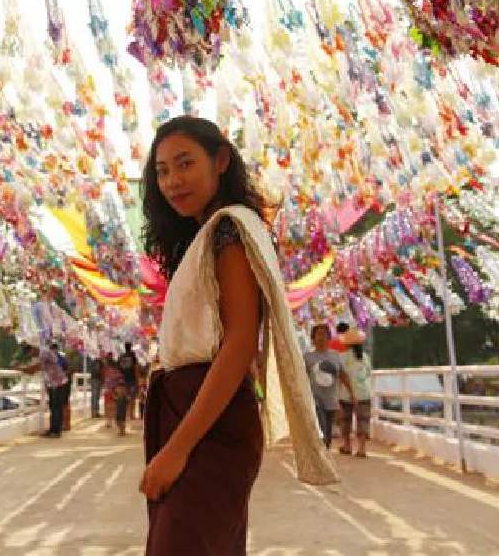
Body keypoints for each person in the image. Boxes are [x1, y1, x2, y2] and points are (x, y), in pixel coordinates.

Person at [139, 116, 338, 554]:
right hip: (185, 410)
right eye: (163, 171)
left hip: (211, 417)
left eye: (186, 163)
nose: (173, 181)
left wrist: (176, 450)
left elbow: (240, 343)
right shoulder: (207, 234)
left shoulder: (231, 229)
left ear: (221, 160)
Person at [303, 323, 353, 449]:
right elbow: (302, 378)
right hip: (314, 399)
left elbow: (343, 375)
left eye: (324, 334)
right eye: (318, 334)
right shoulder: (307, 357)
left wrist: (352, 393)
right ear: (313, 338)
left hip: (331, 400)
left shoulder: (335, 355)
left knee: (328, 433)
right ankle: (321, 454)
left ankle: (324, 453)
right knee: (322, 430)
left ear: (329, 338)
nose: (321, 337)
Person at [335, 321, 373, 457]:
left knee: (345, 421)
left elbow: (339, 376)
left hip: (346, 394)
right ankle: (362, 448)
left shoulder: (341, 357)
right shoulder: (365, 357)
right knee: (363, 420)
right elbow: (368, 373)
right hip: (364, 393)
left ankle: (347, 446)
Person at [20, 342, 70, 439]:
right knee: (53, 406)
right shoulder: (42, 353)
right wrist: (26, 369)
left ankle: (56, 431)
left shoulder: (44, 353)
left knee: (56, 407)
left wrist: (22, 368)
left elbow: (34, 369)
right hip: (53, 383)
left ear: (32, 349)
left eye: (30, 354)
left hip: (58, 382)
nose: (31, 356)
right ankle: (53, 430)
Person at [118, 343, 141, 421]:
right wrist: (137, 379)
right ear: (130, 347)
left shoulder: (121, 356)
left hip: (123, 380)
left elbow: (119, 368)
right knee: (132, 397)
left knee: (125, 397)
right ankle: (131, 414)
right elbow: (136, 368)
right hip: (132, 379)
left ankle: (126, 414)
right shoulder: (132, 356)